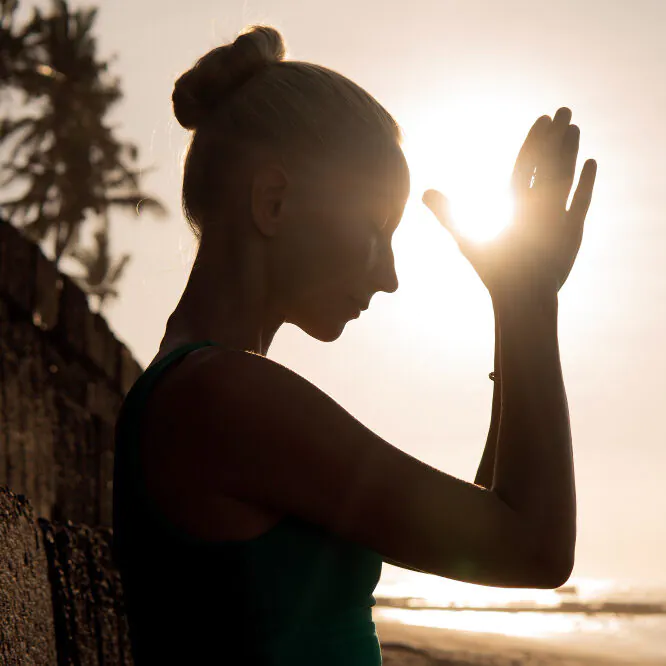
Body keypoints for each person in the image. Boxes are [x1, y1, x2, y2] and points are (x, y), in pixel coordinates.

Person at [112, 25, 597, 666]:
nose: (389, 275)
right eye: (376, 231)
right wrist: (529, 301)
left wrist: (516, 307)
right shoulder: (222, 397)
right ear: (274, 201)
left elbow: (479, 532)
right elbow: (532, 547)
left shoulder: (205, 391)